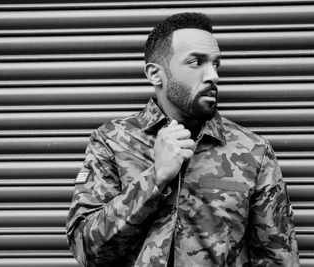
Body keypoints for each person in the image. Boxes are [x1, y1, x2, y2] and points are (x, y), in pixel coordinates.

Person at [66, 12, 300, 267]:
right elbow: (86, 249)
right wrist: (155, 179)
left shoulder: (253, 151)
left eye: (216, 63)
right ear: (156, 74)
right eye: (197, 62)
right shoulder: (111, 142)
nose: (213, 76)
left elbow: (277, 257)